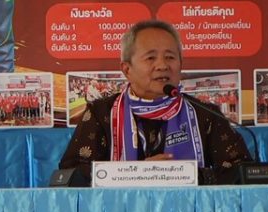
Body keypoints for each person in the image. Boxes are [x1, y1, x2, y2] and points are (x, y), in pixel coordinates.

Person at [55, 20, 252, 183]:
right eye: (150, 58)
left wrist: (182, 175)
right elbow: (71, 175)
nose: (162, 65)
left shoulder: (205, 114)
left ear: (181, 65)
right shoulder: (101, 113)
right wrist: (139, 173)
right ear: (127, 69)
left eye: (170, 57)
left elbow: (240, 172)